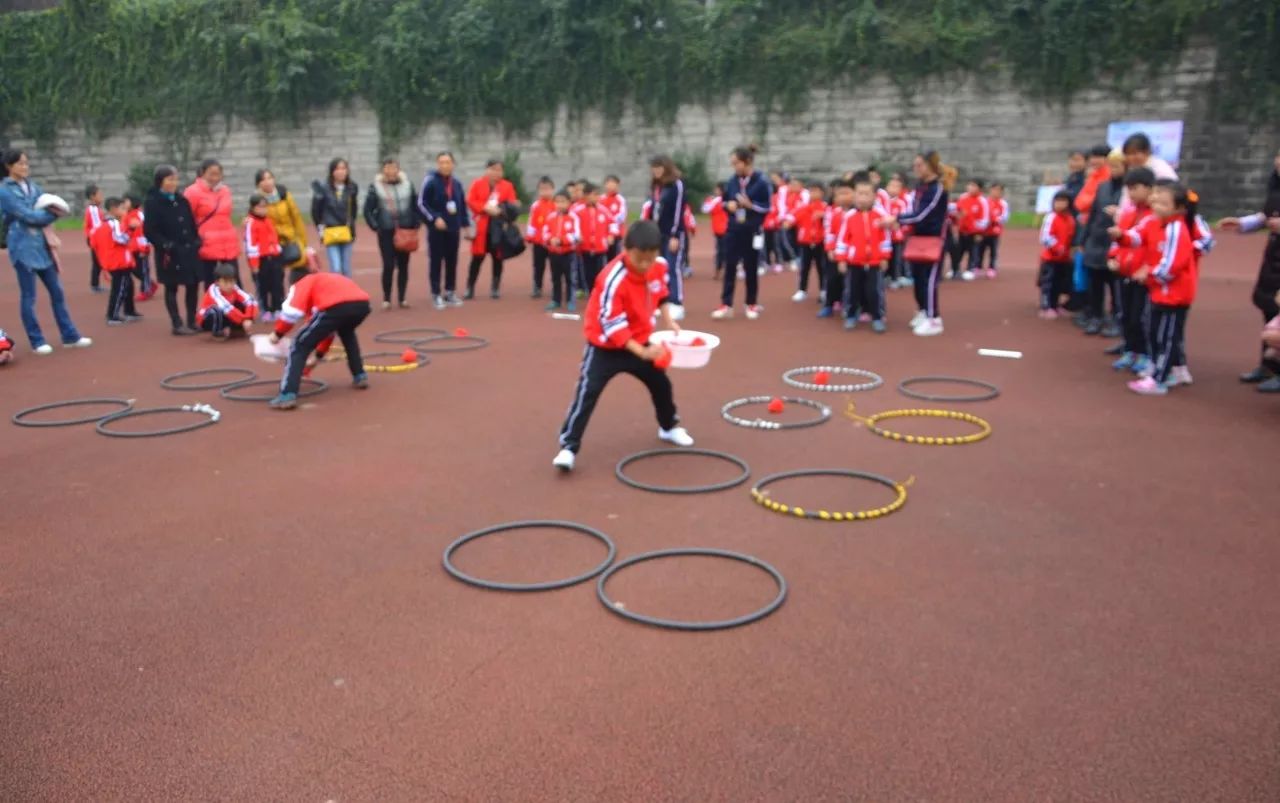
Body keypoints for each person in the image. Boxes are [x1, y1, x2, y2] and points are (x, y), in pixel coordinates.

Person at [552, 221, 694, 472]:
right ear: (625, 249)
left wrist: (669, 321)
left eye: (650, 259)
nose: (645, 265)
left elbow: (661, 294)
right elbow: (612, 324)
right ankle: (568, 447)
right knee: (588, 392)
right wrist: (643, 352)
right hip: (605, 346)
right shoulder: (612, 278)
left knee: (661, 384)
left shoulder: (658, 266)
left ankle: (669, 427)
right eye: (640, 259)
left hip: (641, 339)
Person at [0, 149, 92, 353]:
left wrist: (49, 213)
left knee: (57, 291)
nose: (25, 167)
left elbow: (50, 207)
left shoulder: (34, 187)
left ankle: (69, 335)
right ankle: (37, 340)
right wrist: (51, 215)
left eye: (26, 163)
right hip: (22, 247)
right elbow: (28, 216)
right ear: (9, 166)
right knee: (29, 296)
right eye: (20, 164)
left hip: (42, 246)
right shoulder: (5, 191)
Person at [1120, 181, 1198, 396]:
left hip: (1174, 294)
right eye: (1156, 200)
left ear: (1179, 208)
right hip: (1159, 291)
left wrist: (1150, 273)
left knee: (1167, 336)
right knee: (1153, 331)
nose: (1156, 206)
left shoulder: (1176, 229)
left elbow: (1173, 263)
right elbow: (1136, 236)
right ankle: (1162, 369)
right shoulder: (1153, 222)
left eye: (1164, 203)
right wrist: (1121, 236)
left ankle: (1161, 377)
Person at [1218, 150, 1280, 392]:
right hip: (1274, 258)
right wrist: (1243, 223)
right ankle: (1268, 364)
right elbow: (1266, 217)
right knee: (1269, 312)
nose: (1278, 161)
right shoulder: (1274, 189)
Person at [267, 271, 372, 410]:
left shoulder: (303, 283)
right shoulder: (324, 282)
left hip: (337, 307)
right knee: (347, 333)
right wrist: (318, 357)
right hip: (362, 305)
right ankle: (360, 376)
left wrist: (277, 334)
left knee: (299, 345)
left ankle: (287, 394)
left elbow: (291, 312)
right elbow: (326, 330)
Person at [893, 150, 956, 337]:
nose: (916, 168)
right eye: (915, 165)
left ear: (930, 166)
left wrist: (896, 219)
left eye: (919, 165)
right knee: (918, 278)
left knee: (929, 280)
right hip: (918, 237)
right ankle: (923, 310)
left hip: (935, 238)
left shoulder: (938, 188)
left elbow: (923, 214)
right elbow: (914, 210)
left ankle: (934, 318)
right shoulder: (920, 186)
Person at [1106, 167, 1157, 374]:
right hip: (1124, 272)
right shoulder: (1127, 213)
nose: (1132, 194)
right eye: (1129, 190)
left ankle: (1144, 352)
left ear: (1150, 189)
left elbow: (1149, 245)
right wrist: (1112, 258)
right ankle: (1130, 349)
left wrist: (1148, 268)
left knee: (1139, 316)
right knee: (1124, 314)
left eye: (1135, 189)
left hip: (1141, 276)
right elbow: (1119, 241)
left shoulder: (1154, 217)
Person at [713, 145, 771, 320]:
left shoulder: (762, 182)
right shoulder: (732, 181)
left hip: (752, 231)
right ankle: (726, 304)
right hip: (733, 230)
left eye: (736, 163)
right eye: (732, 163)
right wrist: (728, 205)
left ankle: (751, 303)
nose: (734, 167)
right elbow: (724, 202)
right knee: (729, 266)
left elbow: (767, 207)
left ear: (747, 162)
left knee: (750, 267)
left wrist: (750, 206)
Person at [144, 165, 203, 336]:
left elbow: (191, 223)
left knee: (193, 284)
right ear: (160, 181)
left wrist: (196, 240)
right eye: (169, 179)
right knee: (172, 287)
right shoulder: (153, 202)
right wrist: (165, 245)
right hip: (169, 252)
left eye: (175, 179)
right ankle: (176, 323)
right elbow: (150, 230)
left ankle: (191, 320)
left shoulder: (182, 200)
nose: (173, 183)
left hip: (188, 249)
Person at [836, 173, 892, 332]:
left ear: (874, 196)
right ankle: (851, 315)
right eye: (859, 194)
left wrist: (884, 257)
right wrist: (841, 259)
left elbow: (885, 239)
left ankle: (877, 317)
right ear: (854, 196)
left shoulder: (880, 216)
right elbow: (842, 240)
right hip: (854, 262)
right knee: (852, 290)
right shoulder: (849, 217)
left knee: (875, 291)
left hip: (874, 262)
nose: (863, 198)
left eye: (867, 194)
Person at [1079, 151, 1127, 336]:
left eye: (1117, 166)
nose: (1114, 170)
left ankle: (1116, 319)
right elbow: (1092, 214)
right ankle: (1096, 316)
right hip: (1097, 239)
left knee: (1115, 285)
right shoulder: (1103, 186)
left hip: (1115, 241)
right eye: (1112, 166)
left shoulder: (1128, 190)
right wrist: (1084, 239)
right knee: (1095, 283)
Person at [363, 157, 419, 310]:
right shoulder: (376, 187)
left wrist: (416, 222)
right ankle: (386, 298)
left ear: (398, 169)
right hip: (386, 231)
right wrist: (376, 226)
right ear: (383, 170)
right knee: (388, 265)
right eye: (388, 168)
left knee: (404, 265)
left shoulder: (408, 185)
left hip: (406, 231)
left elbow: (415, 206)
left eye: (394, 168)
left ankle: (402, 298)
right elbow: (367, 210)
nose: (391, 171)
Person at [418, 151, 471, 309]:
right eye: (441, 162)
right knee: (436, 261)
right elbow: (421, 204)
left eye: (448, 162)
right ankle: (436, 293)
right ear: (437, 164)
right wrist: (435, 218)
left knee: (452, 261)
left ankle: (450, 292)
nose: (445, 165)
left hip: (453, 229)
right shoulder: (430, 181)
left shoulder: (457, 184)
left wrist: (466, 225)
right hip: (436, 230)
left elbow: (462, 205)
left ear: (453, 164)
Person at [465, 158, 518, 299]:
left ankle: (495, 287)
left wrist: (499, 210)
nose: (496, 173)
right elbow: (470, 200)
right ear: (487, 170)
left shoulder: (507, 186)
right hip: (481, 228)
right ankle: (470, 288)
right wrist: (485, 208)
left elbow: (511, 205)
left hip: (498, 228)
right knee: (477, 259)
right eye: (493, 169)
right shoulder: (477, 184)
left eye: (499, 170)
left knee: (497, 259)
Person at [184, 159, 241, 289]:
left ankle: (236, 308)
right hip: (207, 242)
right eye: (211, 174)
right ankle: (213, 307)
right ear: (202, 173)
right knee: (211, 282)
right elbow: (188, 218)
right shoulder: (192, 192)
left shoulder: (225, 190)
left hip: (227, 240)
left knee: (235, 280)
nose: (215, 178)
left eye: (218, 174)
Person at [647, 155, 688, 318]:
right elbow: (653, 209)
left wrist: (675, 235)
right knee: (659, 268)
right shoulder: (657, 186)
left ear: (666, 168)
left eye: (659, 167)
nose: (656, 171)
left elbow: (679, 211)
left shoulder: (676, 185)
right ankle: (663, 301)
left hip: (672, 233)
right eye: (654, 168)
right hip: (658, 233)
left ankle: (676, 302)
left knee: (672, 266)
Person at [254, 169, 311, 287]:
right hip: (273, 244)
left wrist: (303, 242)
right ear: (258, 184)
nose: (268, 182)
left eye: (270, 178)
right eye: (263, 179)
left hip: (291, 239)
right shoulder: (258, 201)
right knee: (276, 277)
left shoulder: (284, 195)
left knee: (300, 273)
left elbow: (296, 218)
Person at [90, 197, 140, 326]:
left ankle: (129, 311)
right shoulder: (114, 223)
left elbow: (94, 242)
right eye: (122, 208)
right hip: (118, 262)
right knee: (119, 288)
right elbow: (120, 238)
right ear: (113, 209)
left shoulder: (103, 225)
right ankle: (113, 314)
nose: (125, 211)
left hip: (115, 260)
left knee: (127, 285)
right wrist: (131, 230)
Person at [312, 157, 359, 278]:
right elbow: (316, 211)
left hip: (346, 230)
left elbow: (353, 209)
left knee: (346, 268)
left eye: (344, 168)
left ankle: (347, 294)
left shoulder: (352, 187)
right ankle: (337, 295)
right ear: (332, 171)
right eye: (337, 169)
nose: (341, 172)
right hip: (330, 230)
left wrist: (351, 225)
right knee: (336, 267)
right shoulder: (323, 188)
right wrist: (320, 228)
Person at [244, 193, 285, 321]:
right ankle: (265, 309)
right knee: (263, 286)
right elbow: (251, 245)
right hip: (262, 260)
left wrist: (278, 251)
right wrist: (254, 264)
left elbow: (274, 238)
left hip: (274, 257)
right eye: (259, 207)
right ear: (253, 208)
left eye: (264, 207)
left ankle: (277, 308)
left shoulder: (268, 220)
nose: (263, 210)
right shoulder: (251, 223)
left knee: (277, 284)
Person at [1038, 191, 1077, 318]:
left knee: (1058, 283)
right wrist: (1057, 247)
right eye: (1057, 201)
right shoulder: (1051, 217)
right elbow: (1045, 236)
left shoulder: (1070, 219)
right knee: (1048, 282)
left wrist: (1068, 251)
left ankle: (1054, 305)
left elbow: (1070, 237)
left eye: (1063, 201)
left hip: (1063, 258)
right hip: (1050, 257)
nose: (1059, 204)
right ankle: (1046, 306)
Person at [196, 263, 257, 339]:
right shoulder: (214, 290)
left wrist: (249, 318)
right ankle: (217, 332)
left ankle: (237, 330)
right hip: (206, 319)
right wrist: (243, 320)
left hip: (226, 314)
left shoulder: (235, 288)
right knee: (217, 310)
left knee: (242, 304)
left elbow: (250, 300)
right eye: (225, 282)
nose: (229, 285)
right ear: (217, 282)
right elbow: (226, 307)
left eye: (231, 281)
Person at [542, 189, 579, 311]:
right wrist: (550, 239)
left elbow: (576, 235)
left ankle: (570, 300)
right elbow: (545, 232)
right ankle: (556, 300)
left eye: (563, 202)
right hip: (554, 253)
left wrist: (562, 240)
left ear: (569, 203)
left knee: (570, 278)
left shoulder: (573, 217)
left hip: (568, 253)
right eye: (557, 202)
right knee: (555, 277)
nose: (560, 205)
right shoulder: (551, 217)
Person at [791, 181, 827, 303]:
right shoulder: (804, 208)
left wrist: (824, 215)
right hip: (805, 242)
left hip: (820, 242)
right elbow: (793, 218)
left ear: (822, 193)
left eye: (816, 191)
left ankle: (823, 290)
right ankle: (802, 290)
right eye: (811, 191)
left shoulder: (826, 208)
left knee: (821, 267)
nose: (813, 194)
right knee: (804, 267)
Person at [576, 182, 612, 292]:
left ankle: (599, 290)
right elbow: (574, 225)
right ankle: (590, 290)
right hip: (585, 247)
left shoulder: (604, 210)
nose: (598, 197)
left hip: (600, 247)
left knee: (600, 270)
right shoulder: (578, 211)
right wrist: (578, 236)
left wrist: (610, 235)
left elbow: (612, 224)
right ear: (586, 195)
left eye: (598, 194)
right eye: (595, 194)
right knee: (587, 271)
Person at [526, 176, 556, 298]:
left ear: (553, 189)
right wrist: (530, 235)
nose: (545, 192)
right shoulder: (536, 205)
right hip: (539, 241)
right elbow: (531, 222)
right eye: (542, 189)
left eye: (548, 189)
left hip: (553, 242)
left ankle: (556, 287)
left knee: (555, 265)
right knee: (538, 265)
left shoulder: (556, 204)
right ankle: (537, 286)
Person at [954, 178, 989, 281]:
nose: (970, 188)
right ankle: (955, 268)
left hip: (974, 232)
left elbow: (985, 219)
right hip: (962, 230)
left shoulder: (982, 201)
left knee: (973, 251)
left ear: (979, 188)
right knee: (958, 250)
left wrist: (979, 232)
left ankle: (970, 269)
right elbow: (957, 210)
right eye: (969, 185)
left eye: (974, 186)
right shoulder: (963, 197)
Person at [123, 194, 154, 301]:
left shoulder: (139, 215)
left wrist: (144, 248)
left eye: (127, 201)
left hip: (140, 248)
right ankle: (150, 283)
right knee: (134, 269)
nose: (124, 203)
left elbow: (143, 232)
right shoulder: (127, 215)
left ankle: (145, 290)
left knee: (143, 270)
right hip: (131, 248)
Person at [884, 174, 910, 287]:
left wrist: (899, 226)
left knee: (896, 258)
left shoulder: (901, 203)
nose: (893, 188)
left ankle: (896, 277)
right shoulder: (882, 202)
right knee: (885, 257)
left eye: (897, 186)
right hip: (885, 237)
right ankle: (885, 276)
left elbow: (904, 218)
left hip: (896, 236)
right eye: (891, 185)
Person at [700, 183, 729, 280]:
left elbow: (705, 209)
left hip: (721, 229)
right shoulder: (727, 199)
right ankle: (722, 270)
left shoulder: (717, 200)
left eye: (717, 189)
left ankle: (720, 271)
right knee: (723, 251)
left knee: (721, 251)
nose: (715, 191)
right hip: (722, 229)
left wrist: (708, 200)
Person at [979, 183, 1007, 279]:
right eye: (994, 190)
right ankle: (978, 266)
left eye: (998, 190)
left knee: (993, 250)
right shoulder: (985, 201)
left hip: (995, 231)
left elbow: (1004, 217)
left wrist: (995, 219)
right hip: (984, 231)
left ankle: (992, 268)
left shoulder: (1003, 204)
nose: (996, 192)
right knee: (980, 249)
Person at [600, 175, 627, 260]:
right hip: (603, 233)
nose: (611, 186)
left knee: (615, 257)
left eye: (613, 184)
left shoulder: (620, 200)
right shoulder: (601, 199)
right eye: (609, 184)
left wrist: (609, 221)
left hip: (616, 233)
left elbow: (621, 216)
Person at [84, 183, 105, 293]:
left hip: (94, 238)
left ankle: (95, 284)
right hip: (95, 238)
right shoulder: (93, 210)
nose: (101, 197)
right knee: (98, 262)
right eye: (99, 194)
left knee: (98, 262)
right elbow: (97, 226)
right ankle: (94, 285)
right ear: (92, 196)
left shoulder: (95, 209)